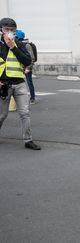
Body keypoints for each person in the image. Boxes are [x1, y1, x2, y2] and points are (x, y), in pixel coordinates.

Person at [0, 18, 41, 150]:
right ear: (1, 30)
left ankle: (28, 140)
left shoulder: (19, 44)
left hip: (19, 83)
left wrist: (13, 47)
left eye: (12, 30)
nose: (10, 32)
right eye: (7, 30)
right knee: (2, 114)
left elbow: (27, 60)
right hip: (3, 85)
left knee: (25, 113)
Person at [15, 30, 36, 105]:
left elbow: (32, 58)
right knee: (17, 84)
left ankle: (32, 98)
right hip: (18, 67)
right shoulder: (15, 45)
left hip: (27, 67)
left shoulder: (27, 45)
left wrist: (28, 67)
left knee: (29, 82)